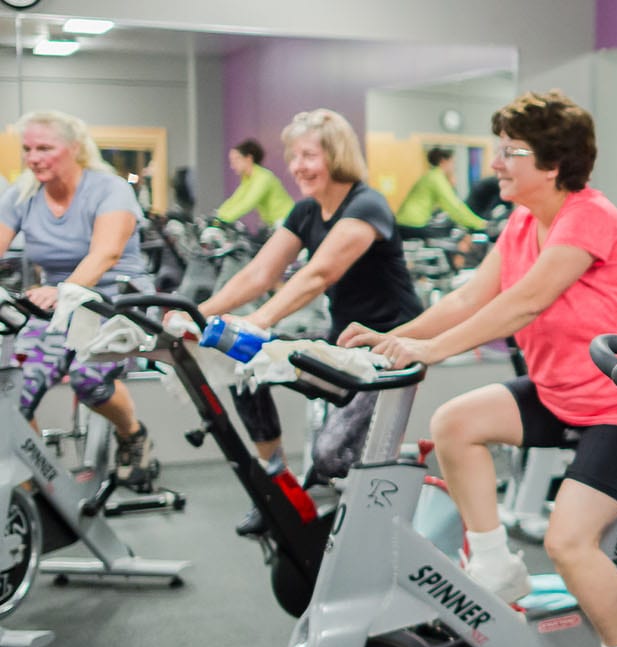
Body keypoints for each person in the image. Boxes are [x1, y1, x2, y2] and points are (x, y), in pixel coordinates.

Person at [340, 90, 617, 647]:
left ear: (554, 163)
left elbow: (526, 303)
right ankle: (496, 564)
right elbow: (469, 298)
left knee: (569, 543)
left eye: (511, 151)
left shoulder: (589, 216)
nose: (495, 163)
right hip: (562, 391)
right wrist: (393, 339)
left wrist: (433, 351)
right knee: (454, 423)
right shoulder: (522, 222)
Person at [191, 108, 425, 535]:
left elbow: (320, 273)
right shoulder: (305, 211)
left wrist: (258, 320)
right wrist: (197, 313)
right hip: (342, 344)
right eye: (294, 156)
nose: (298, 166)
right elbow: (258, 274)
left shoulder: (366, 205)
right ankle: (277, 481)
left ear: (336, 156)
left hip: (388, 349)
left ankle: (402, 479)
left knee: (331, 458)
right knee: (246, 364)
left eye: (309, 156)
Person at [0, 110, 156, 484]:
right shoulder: (22, 194)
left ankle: (132, 433)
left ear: (74, 148)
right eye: (27, 149)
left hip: (114, 299)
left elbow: (106, 253)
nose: (33, 157)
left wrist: (63, 289)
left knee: (88, 379)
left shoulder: (109, 188)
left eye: (44, 148)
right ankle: (39, 486)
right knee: (15, 391)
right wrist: (57, 294)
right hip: (55, 305)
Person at [396, 148, 487, 267]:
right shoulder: (436, 178)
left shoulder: (430, 175)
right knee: (449, 241)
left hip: (405, 222)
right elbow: (454, 207)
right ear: (443, 161)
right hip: (412, 224)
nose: (453, 166)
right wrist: (479, 223)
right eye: (452, 162)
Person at [215, 138, 296, 231]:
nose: (232, 165)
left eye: (236, 159)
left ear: (249, 158)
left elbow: (248, 202)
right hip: (272, 224)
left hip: (286, 220)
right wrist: (218, 215)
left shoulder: (263, 177)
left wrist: (224, 220)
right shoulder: (248, 178)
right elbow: (236, 199)